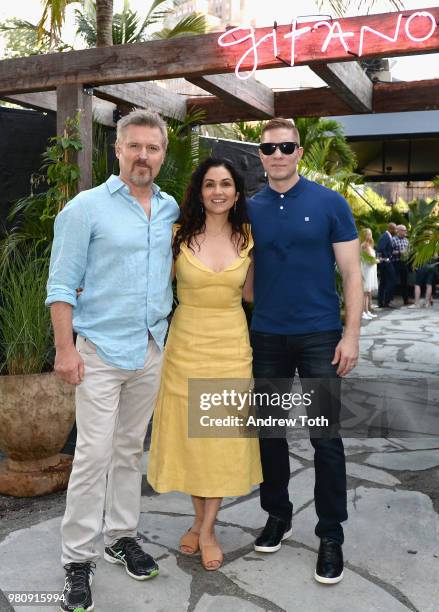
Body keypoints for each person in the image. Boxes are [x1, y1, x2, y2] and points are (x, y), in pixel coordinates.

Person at [46, 109, 180, 612]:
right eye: (136, 147)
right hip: (99, 352)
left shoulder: (169, 210)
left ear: (162, 154)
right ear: (118, 150)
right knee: (93, 457)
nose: (144, 156)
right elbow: (61, 284)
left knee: (128, 452)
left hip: (150, 349)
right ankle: (77, 560)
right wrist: (64, 349)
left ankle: (120, 536)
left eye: (153, 148)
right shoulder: (86, 208)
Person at [247, 118, 362, 585]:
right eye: (269, 148)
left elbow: (353, 275)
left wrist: (350, 335)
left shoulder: (329, 203)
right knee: (269, 435)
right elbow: (244, 270)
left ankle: (330, 533)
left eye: (286, 147)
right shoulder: (247, 207)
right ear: (260, 155)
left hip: (319, 335)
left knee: (325, 439)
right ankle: (278, 514)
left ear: (299, 152)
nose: (277, 155)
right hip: (267, 336)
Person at [147, 158, 262, 572]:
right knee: (192, 440)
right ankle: (200, 520)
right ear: (199, 191)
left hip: (231, 346)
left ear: (236, 193)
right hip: (186, 346)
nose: (218, 191)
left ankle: (208, 528)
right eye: (210, 184)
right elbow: (150, 283)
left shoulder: (249, 237)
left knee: (221, 439)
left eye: (226, 184)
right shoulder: (176, 236)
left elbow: (251, 295)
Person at [376, 222, 397, 308]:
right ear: (391, 229)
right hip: (385, 262)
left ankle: (382, 301)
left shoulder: (388, 236)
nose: (396, 230)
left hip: (385, 262)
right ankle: (386, 301)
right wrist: (387, 258)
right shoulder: (385, 236)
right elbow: (381, 248)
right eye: (395, 228)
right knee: (391, 280)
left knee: (383, 282)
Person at [360, 228, 379, 320]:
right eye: (368, 234)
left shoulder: (370, 245)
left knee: (367, 292)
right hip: (366, 270)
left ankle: (367, 311)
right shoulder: (365, 245)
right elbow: (369, 260)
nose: (370, 236)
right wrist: (378, 260)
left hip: (370, 270)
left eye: (370, 234)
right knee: (365, 292)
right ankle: (363, 312)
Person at [392, 224, 410, 305]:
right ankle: (389, 300)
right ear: (398, 231)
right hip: (395, 262)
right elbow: (389, 252)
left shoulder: (407, 240)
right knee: (393, 281)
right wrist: (399, 252)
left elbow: (409, 250)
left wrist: (407, 253)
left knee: (405, 282)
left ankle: (406, 300)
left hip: (404, 263)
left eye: (405, 230)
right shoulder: (393, 240)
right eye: (403, 230)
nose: (405, 232)